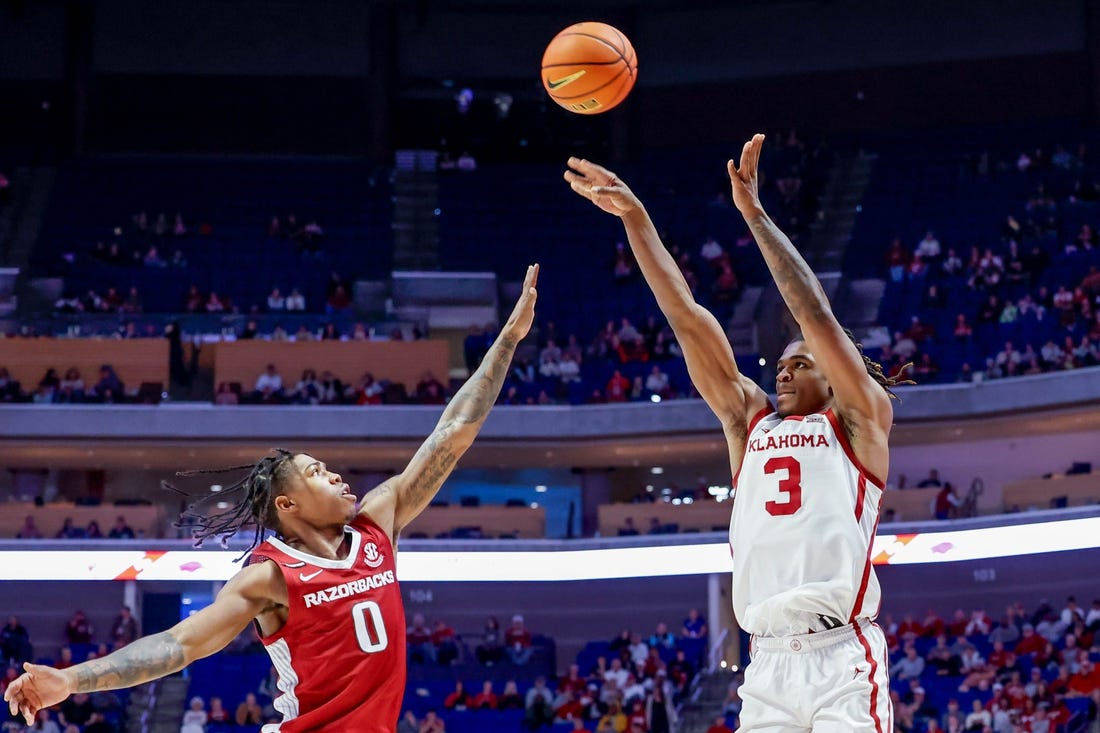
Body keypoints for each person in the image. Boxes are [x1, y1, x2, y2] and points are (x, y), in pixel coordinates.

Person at [4, 266, 540, 732]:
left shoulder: (380, 522)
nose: (336, 476)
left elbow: (450, 435)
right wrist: (71, 680)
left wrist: (509, 341)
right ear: (288, 506)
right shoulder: (269, 576)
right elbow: (179, 644)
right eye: (316, 472)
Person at [566, 137, 910, 732]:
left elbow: (814, 315)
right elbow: (687, 317)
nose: (783, 368)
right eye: (780, 362)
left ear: (837, 373)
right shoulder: (750, 422)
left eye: (801, 362)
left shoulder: (858, 422)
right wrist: (637, 221)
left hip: (842, 659)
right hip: (767, 665)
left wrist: (754, 214)